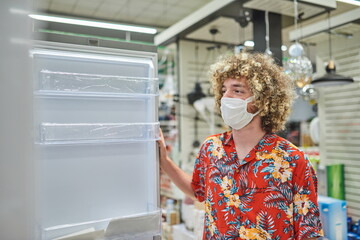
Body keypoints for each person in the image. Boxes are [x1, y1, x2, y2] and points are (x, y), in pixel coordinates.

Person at [158, 52, 323, 240]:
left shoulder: (292, 159)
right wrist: (164, 160)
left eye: (237, 90)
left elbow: (308, 230)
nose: (226, 97)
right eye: (223, 90)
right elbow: (198, 190)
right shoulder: (212, 148)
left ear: (262, 100)